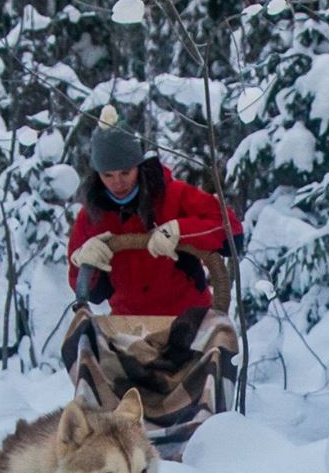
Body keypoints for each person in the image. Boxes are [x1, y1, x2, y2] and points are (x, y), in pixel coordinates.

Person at [67, 106, 242, 317]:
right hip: (129, 325)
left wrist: (181, 230)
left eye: (125, 172)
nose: (118, 182)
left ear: (138, 166)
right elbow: (91, 292)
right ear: (97, 175)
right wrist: (84, 261)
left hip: (189, 317)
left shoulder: (173, 195)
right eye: (108, 175)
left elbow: (232, 231)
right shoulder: (91, 218)